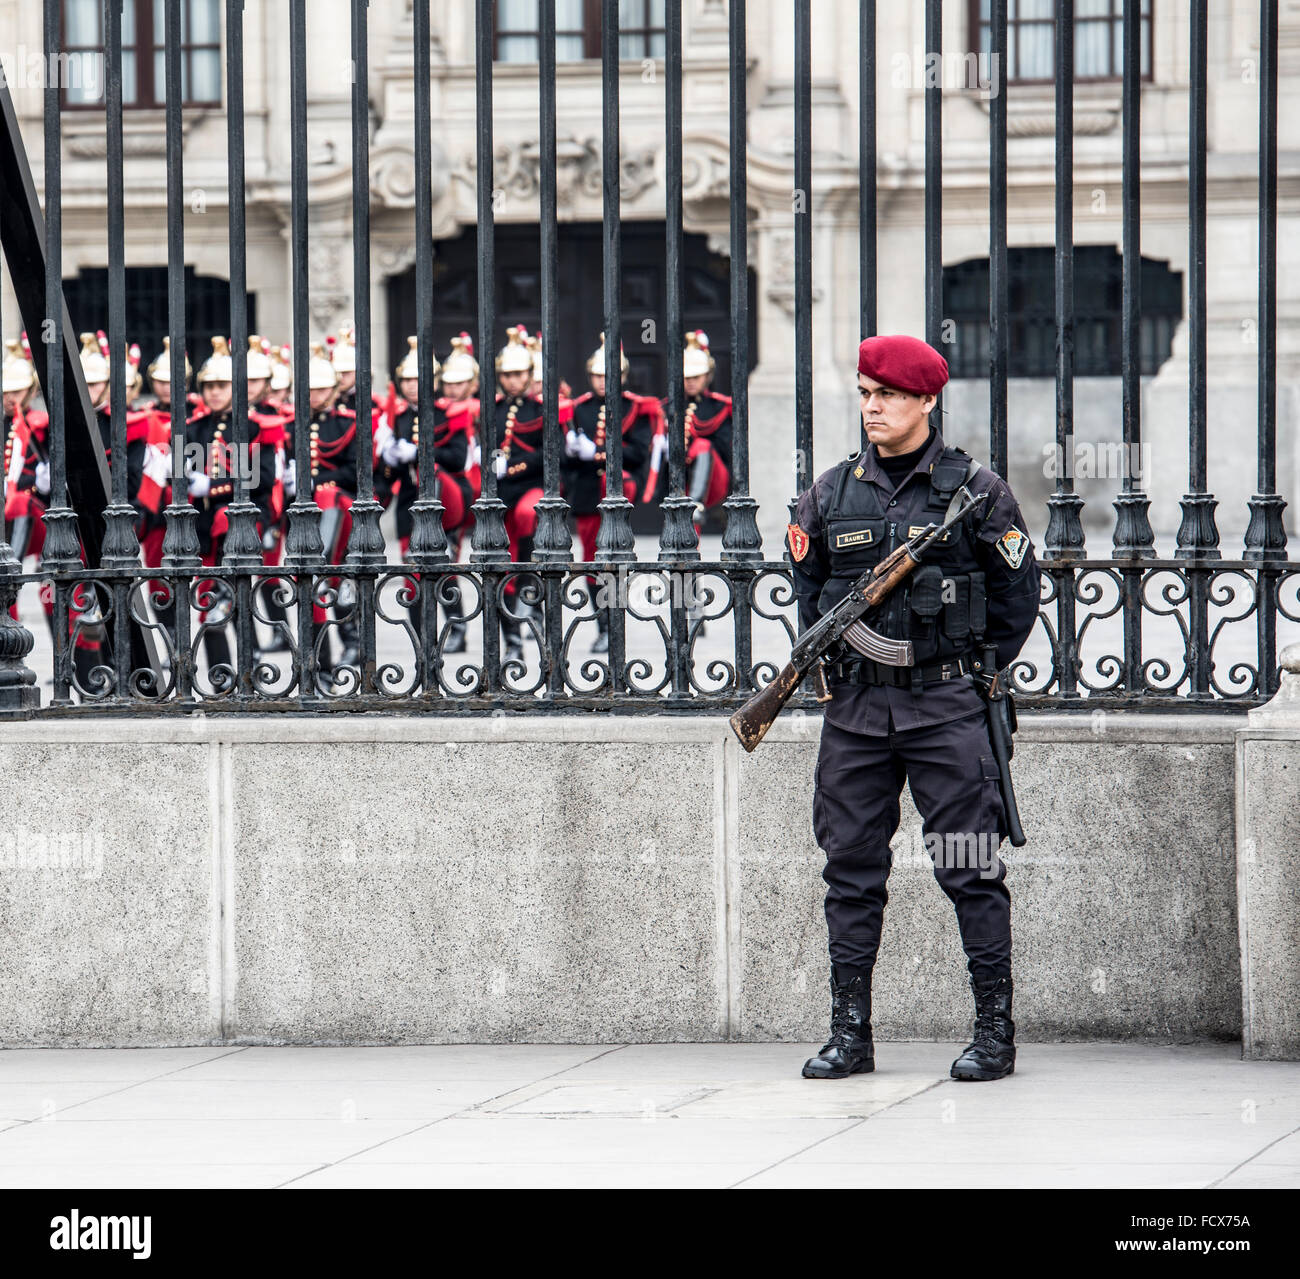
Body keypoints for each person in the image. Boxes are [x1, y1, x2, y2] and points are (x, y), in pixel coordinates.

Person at [788, 334, 1040, 1084]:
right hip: (857, 713)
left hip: (945, 709)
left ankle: (995, 1031)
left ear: (927, 399)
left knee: (969, 864)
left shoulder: (977, 491)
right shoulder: (830, 493)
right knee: (851, 869)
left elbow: (1015, 601)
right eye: (865, 393)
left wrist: (959, 670)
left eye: (888, 395)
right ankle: (849, 1033)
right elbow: (809, 596)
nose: (873, 407)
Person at [563, 333, 658, 651]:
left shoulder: (635, 407)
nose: (602, 381)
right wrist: (575, 451)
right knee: (591, 561)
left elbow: (637, 453)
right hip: (589, 493)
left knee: (615, 560)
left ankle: (615, 623)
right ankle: (603, 625)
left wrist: (599, 452)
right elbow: (567, 461)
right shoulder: (580, 408)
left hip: (619, 493)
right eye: (597, 375)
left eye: (608, 375)